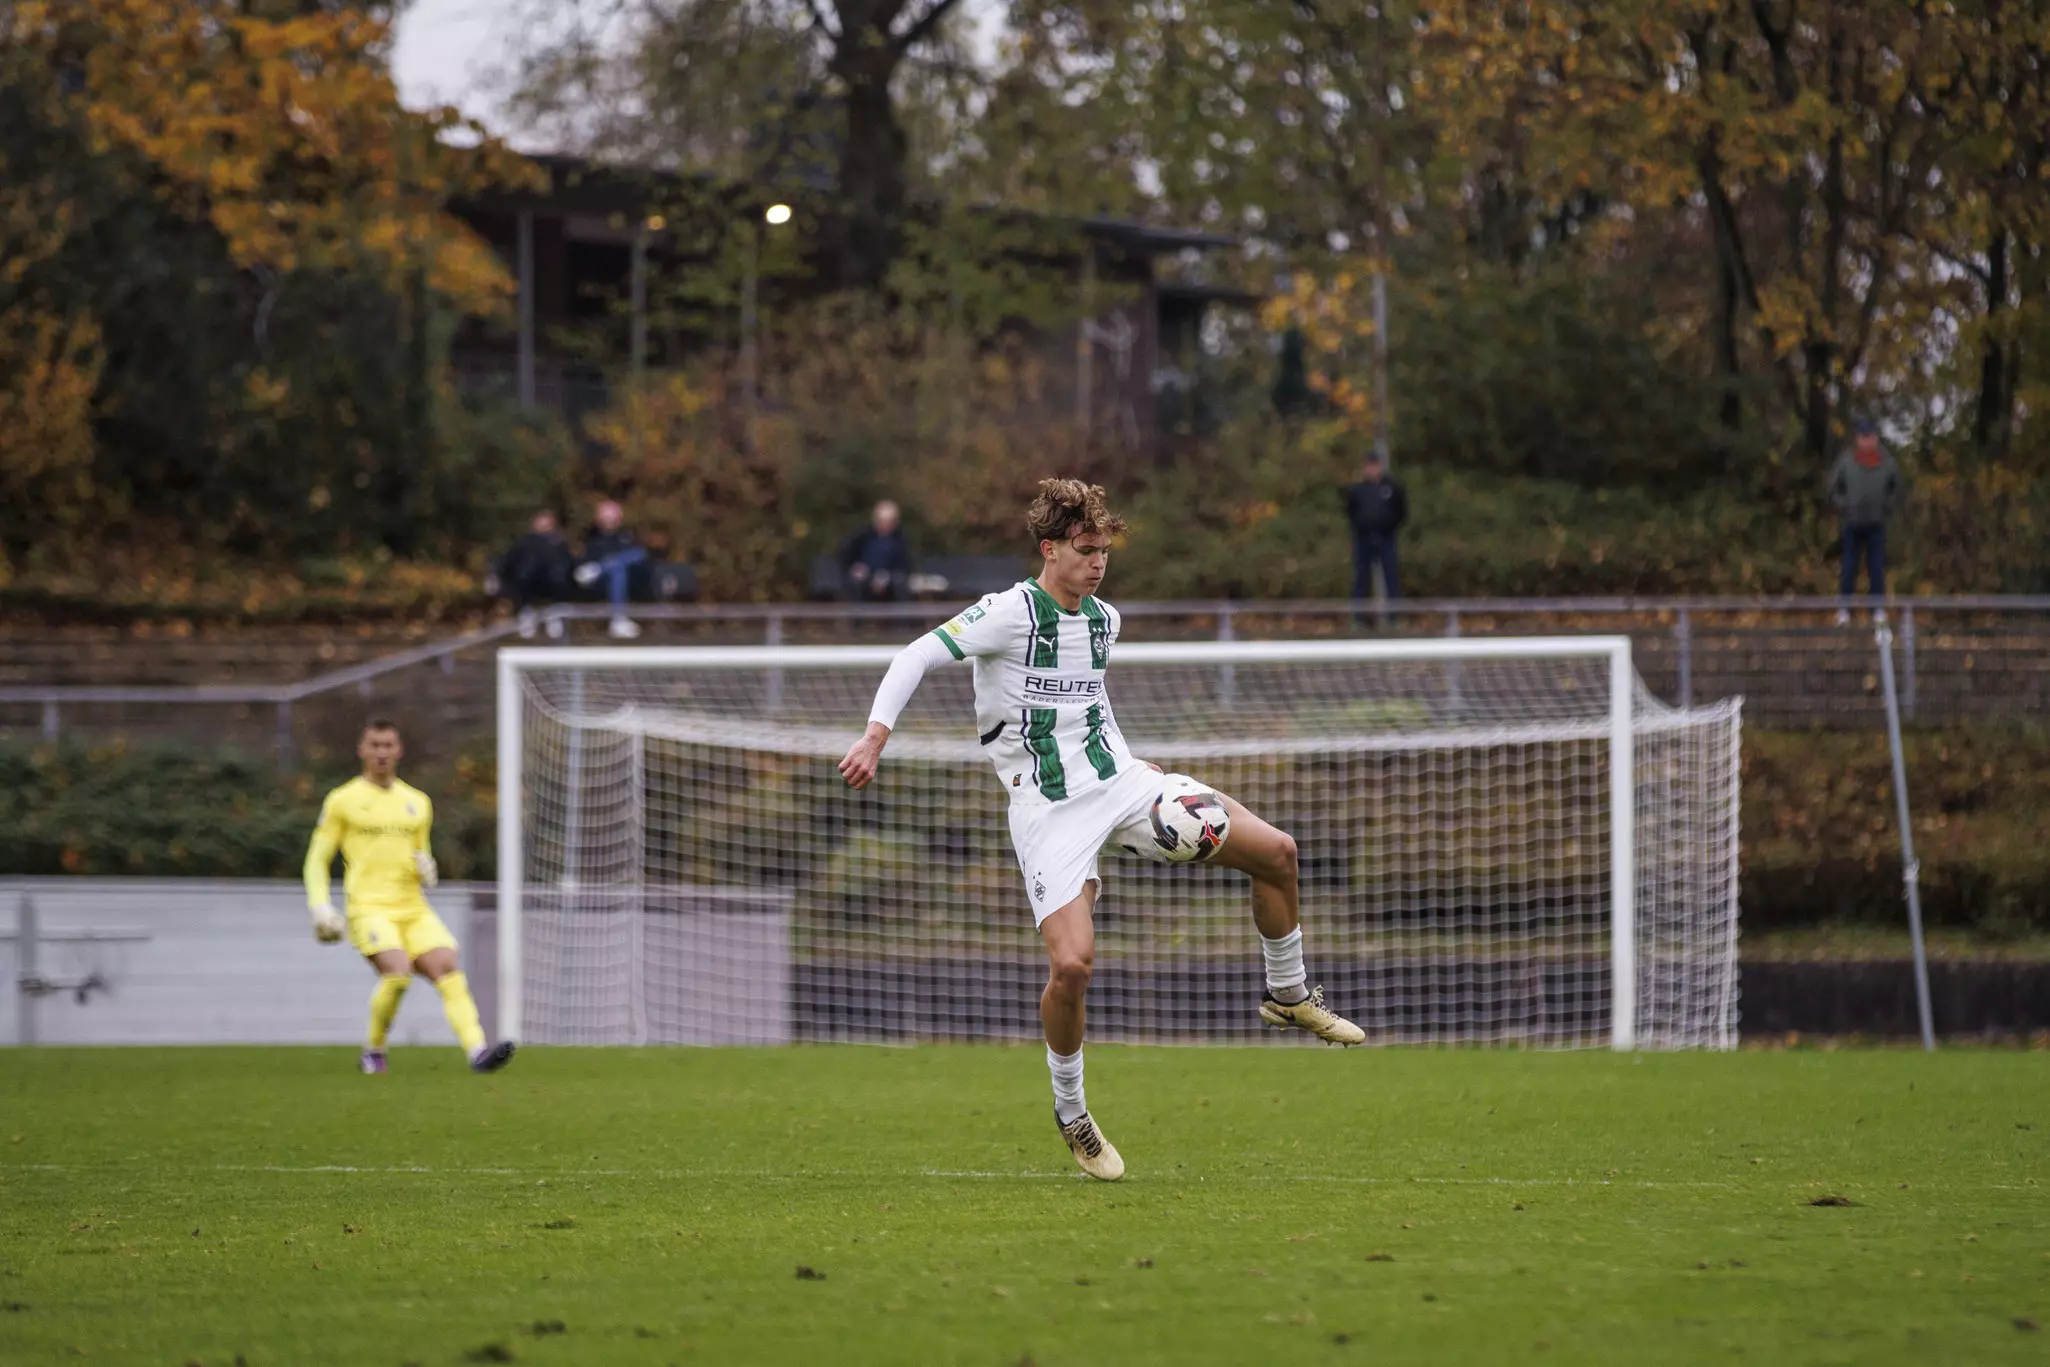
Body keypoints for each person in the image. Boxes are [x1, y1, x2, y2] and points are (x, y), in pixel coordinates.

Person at [837, 478, 1363, 1183]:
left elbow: (1091, 703)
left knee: (1277, 852)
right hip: (1048, 808)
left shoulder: (1104, 619)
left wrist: (1143, 774)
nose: (1097, 563)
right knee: (1073, 965)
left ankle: (1288, 992)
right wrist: (876, 736)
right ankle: (1071, 1109)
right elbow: (916, 655)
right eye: (1085, 550)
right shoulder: (1006, 613)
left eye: (1105, 552)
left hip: (1123, 783)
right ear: (1049, 549)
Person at [304, 718, 517, 1076]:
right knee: (398, 972)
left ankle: (477, 1052)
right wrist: (320, 905)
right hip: (369, 907)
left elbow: (421, 855)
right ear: (362, 750)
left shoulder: (416, 802)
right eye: (375, 745)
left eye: (388, 745)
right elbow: (317, 858)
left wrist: (427, 868)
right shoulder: (343, 800)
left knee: (447, 966)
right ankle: (373, 1053)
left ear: (399, 750)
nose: (382, 752)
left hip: (413, 907)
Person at [1827, 420, 1902, 625]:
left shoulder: (1886, 462)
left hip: (1876, 524)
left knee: (1876, 567)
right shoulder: (1847, 460)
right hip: (1852, 524)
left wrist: (1887, 505)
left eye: (1870, 437)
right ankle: (1844, 610)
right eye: (1863, 438)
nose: (1867, 441)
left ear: (1876, 439)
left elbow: (1896, 487)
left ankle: (1877, 609)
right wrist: (1844, 505)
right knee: (1849, 567)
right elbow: (1833, 488)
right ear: (1858, 439)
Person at [572, 498, 649, 639]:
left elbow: (640, 558)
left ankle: (600, 568)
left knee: (636, 555)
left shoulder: (628, 536)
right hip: (601, 583)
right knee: (617, 570)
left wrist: (605, 565)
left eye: (613, 517)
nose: (609, 521)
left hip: (632, 580)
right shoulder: (590, 537)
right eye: (605, 517)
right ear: (598, 518)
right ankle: (618, 619)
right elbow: (581, 564)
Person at [1343, 453, 1408, 607]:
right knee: (1361, 578)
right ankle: (1359, 618)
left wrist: (1390, 526)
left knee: (1391, 578)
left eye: (1375, 465)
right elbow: (1350, 512)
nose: (1372, 469)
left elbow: (1401, 511)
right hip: (1363, 538)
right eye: (1369, 466)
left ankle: (1393, 618)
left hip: (1386, 538)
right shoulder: (1357, 490)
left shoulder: (1392, 488)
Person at [501, 509, 572, 639]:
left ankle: (555, 614)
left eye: (547, 524)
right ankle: (526, 612)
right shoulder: (524, 543)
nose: (543, 527)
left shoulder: (559, 543)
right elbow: (509, 562)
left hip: (552, 582)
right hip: (528, 581)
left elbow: (568, 563)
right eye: (541, 523)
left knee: (558, 576)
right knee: (523, 574)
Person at [838, 499, 914, 602]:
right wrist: (855, 567)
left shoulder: (901, 539)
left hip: (890, 578)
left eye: (889, 521)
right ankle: (857, 617)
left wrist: (887, 575)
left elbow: (905, 565)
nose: (885, 524)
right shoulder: (863, 535)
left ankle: (901, 617)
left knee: (900, 583)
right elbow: (846, 555)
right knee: (855, 583)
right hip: (865, 577)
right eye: (882, 520)